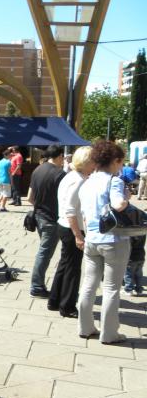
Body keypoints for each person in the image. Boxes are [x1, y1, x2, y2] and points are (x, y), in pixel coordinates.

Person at [78, 140, 130, 344]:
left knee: (88, 285)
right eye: (121, 162)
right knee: (111, 288)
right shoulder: (114, 181)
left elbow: (83, 213)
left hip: (91, 239)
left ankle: (85, 327)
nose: (121, 166)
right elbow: (118, 204)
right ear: (115, 160)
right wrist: (125, 198)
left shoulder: (87, 182)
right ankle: (109, 333)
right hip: (113, 239)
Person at [48, 146, 94, 318]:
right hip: (71, 227)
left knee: (65, 264)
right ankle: (67, 306)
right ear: (86, 162)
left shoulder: (72, 176)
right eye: (93, 161)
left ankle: (54, 300)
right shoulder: (78, 180)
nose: (95, 165)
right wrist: (78, 235)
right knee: (73, 269)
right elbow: (70, 210)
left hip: (64, 225)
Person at [27, 145, 65, 298]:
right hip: (51, 219)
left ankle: (38, 285)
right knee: (44, 253)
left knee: (43, 252)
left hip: (39, 216)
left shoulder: (37, 170)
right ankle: (36, 287)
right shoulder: (60, 174)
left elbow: (29, 197)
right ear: (60, 156)